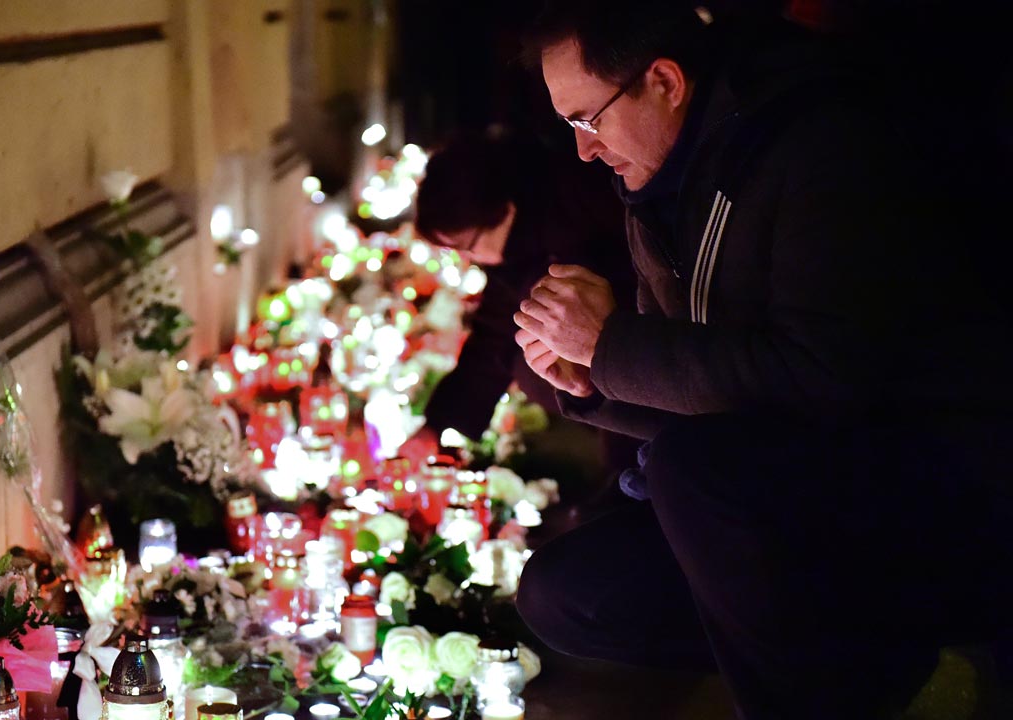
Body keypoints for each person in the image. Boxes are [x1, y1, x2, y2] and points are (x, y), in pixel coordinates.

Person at [510, 1, 1013, 717]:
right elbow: (707, 394)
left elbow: (819, 380)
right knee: (566, 594)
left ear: (665, 81)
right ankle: (875, 663)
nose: (584, 150)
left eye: (589, 119)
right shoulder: (654, 185)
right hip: (784, 480)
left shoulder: (818, 144)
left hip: (932, 487)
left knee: (695, 470)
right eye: (570, 127)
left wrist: (612, 344)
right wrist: (594, 379)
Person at [402, 130, 635, 480]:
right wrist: (436, 426)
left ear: (502, 211)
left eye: (467, 246)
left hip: (639, 361)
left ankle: (626, 480)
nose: (469, 258)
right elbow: (492, 336)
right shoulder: (519, 251)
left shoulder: (579, 212)